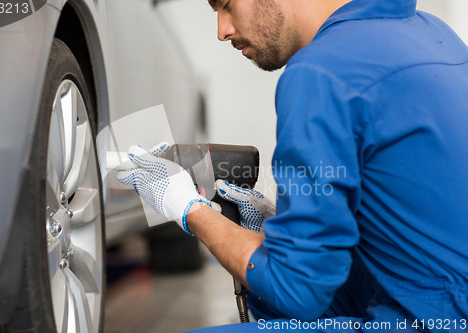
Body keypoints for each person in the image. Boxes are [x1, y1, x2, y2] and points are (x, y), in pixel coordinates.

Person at [117, 0, 468, 331]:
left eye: (226, 4)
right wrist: (277, 227)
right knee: (269, 299)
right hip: (447, 301)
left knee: (279, 291)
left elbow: (296, 289)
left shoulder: (323, 70)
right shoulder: (433, 34)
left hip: (431, 319)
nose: (222, 30)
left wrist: (189, 210)